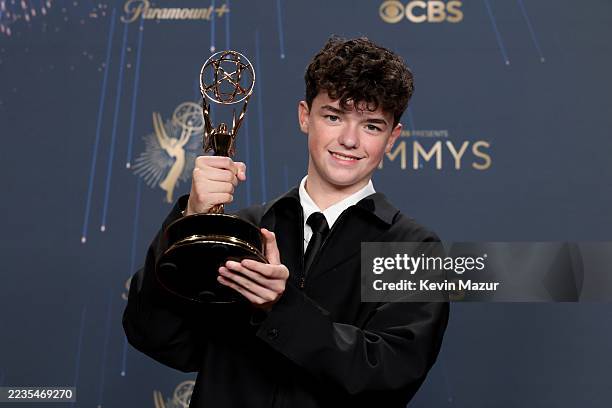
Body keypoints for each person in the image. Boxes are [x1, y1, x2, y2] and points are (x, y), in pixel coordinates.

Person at [123, 36, 449, 408]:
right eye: (333, 116)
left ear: (393, 138)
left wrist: (281, 306)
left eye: (371, 126)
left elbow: (388, 376)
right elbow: (155, 336)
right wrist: (191, 221)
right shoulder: (244, 230)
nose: (349, 140)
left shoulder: (412, 249)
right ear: (304, 116)